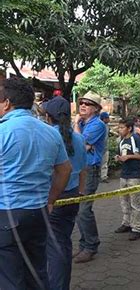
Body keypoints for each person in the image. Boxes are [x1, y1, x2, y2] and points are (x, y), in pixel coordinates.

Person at [0, 78, 72, 290]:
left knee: (9, 277)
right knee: (37, 273)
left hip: (7, 213)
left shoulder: (3, 132)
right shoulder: (50, 132)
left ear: (6, 103)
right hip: (39, 211)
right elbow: (65, 169)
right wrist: (51, 199)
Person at [43, 96, 87, 290]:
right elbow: (83, 169)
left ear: (47, 116)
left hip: (54, 198)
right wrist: (81, 191)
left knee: (54, 248)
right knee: (63, 243)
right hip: (72, 196)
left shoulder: (46, 135)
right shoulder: (78, 137)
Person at [73, 91, 107, 263]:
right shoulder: (82, 123)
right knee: (79, 210)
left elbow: (80, 145)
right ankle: (84, 245)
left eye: (88, 103)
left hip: (90, 169)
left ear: (96, 109)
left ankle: (91, 246)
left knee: (84, 210)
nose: (83, 106)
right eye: (81, 103)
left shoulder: (97, 125)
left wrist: (76, 126)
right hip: (79, 169)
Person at [114, 119, 140, 241]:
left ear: (129, 128)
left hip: (134, 175)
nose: (120, 130)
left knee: (135, 203)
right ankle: (126, 223)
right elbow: (119, 154)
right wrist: (118, 158)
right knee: (124, 201)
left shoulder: (136, 139)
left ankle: (136, 228)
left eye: (122, 127)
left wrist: (129, 156)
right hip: (123, 175)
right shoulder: (121, 141)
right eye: (119, 127)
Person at [100, 111, 111, 183]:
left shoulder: (107, 126)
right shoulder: (99, 126)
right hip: (98, 148)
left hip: (105, 147)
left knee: (105, 163)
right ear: (104, 119)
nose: (109, 119)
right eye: (107, 118)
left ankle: (103, 177)